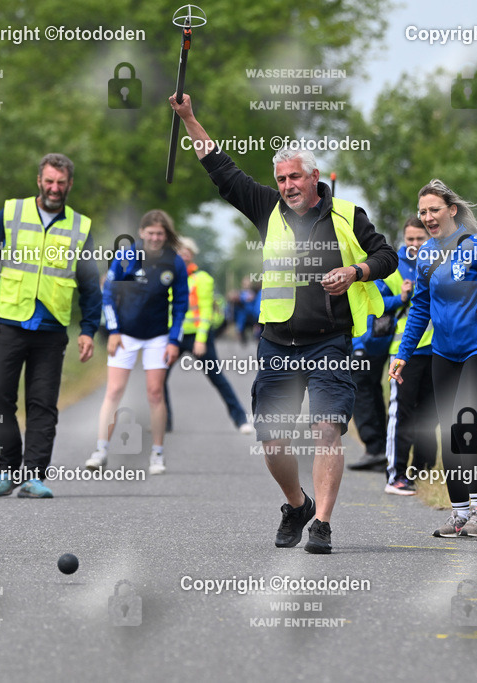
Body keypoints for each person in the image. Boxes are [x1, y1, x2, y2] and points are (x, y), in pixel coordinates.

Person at [170, 92, 398, 554]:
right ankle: (297, 504)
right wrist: (190, 118)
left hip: (330, 342)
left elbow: (387, 256)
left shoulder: (348, 215)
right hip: (277, 343)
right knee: (273, 441)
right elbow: (219, 167)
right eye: (281, 178)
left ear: (314, 176)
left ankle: (322, 524)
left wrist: (356, 272)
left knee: (326, 429)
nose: (288, 185)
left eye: (295, 176)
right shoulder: (266, 208)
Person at [389, 179, 477, 537]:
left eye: (434, 209)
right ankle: (459, 513)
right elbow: (420, 308)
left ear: (451, 210)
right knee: (450, 428)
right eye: (422, 211)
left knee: (465, 422)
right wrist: (403, 354)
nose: (428, 217)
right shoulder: (425, 255)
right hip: (444, 353)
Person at [0, 153, 101, 498]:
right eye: (49, 181)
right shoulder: (11, 212)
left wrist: (88, 329)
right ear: (39, 181)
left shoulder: (80, 226)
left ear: (70, 184)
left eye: (61, 182)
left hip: (51, 328)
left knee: (42, 403)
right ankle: (7, 469)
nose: (54, 188)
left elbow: (90, 285)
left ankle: (33, 476)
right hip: (9, 323)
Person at [85, 210, 189, 475]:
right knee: (114, 391)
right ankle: (100, 450)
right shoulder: (126, 256)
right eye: (150, 233)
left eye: (160, 234)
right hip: (125, 334)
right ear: (142, 233)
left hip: (158, 336)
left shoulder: (174, 262)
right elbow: (108, 296)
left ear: (166, 235)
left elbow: (181, 305)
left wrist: (174, 341)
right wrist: (114, 331)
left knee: (155, 393)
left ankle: (157, 453)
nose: (155, 238)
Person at [164, 236, 254, 435]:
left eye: (187, 251)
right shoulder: (167, 277)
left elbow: (206, 311)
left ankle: (241, 419)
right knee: (159, 378)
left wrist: (200, 339)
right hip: (174, 337)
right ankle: (164, 421)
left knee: (217, 378)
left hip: (198, 336)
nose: (183, 254)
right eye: (179, 251)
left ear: (192, 255)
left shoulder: (202, 279)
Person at [381, 216, 438, 494]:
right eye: (410, 239)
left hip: (438, 350)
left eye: (420, 239)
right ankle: (396, 475)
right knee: (401, 412)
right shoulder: (392, 267)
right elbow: (376, 304)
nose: (415, 244)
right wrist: (401, 298)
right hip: (404, 353)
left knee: (430, 413)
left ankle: (422, 472)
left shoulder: (440, 262)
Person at [346, 272, 397, 473]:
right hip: (375, 343)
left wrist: (359, 345)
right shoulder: (384, 269)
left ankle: (375, 449)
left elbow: (370, 304)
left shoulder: (368, 272)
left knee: (362, 392)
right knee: (372, 391)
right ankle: (379, 448)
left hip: (366, 344)